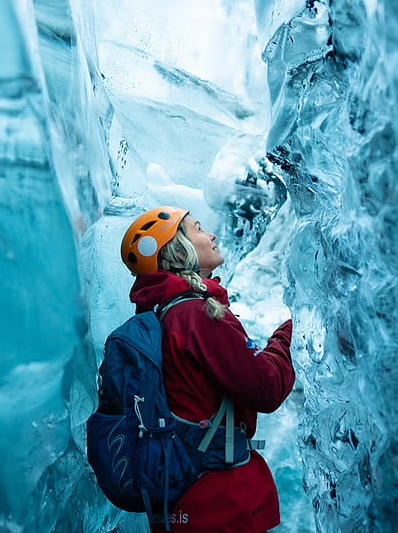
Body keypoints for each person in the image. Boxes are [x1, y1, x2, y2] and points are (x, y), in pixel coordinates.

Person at [120, 206, 296, 532]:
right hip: (222, 505)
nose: (212, 235)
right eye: (199, 229)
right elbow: (266, 388)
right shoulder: (198, 315)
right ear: (179, 249)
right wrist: (289, 336)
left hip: (184, 502)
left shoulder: (161, 316)